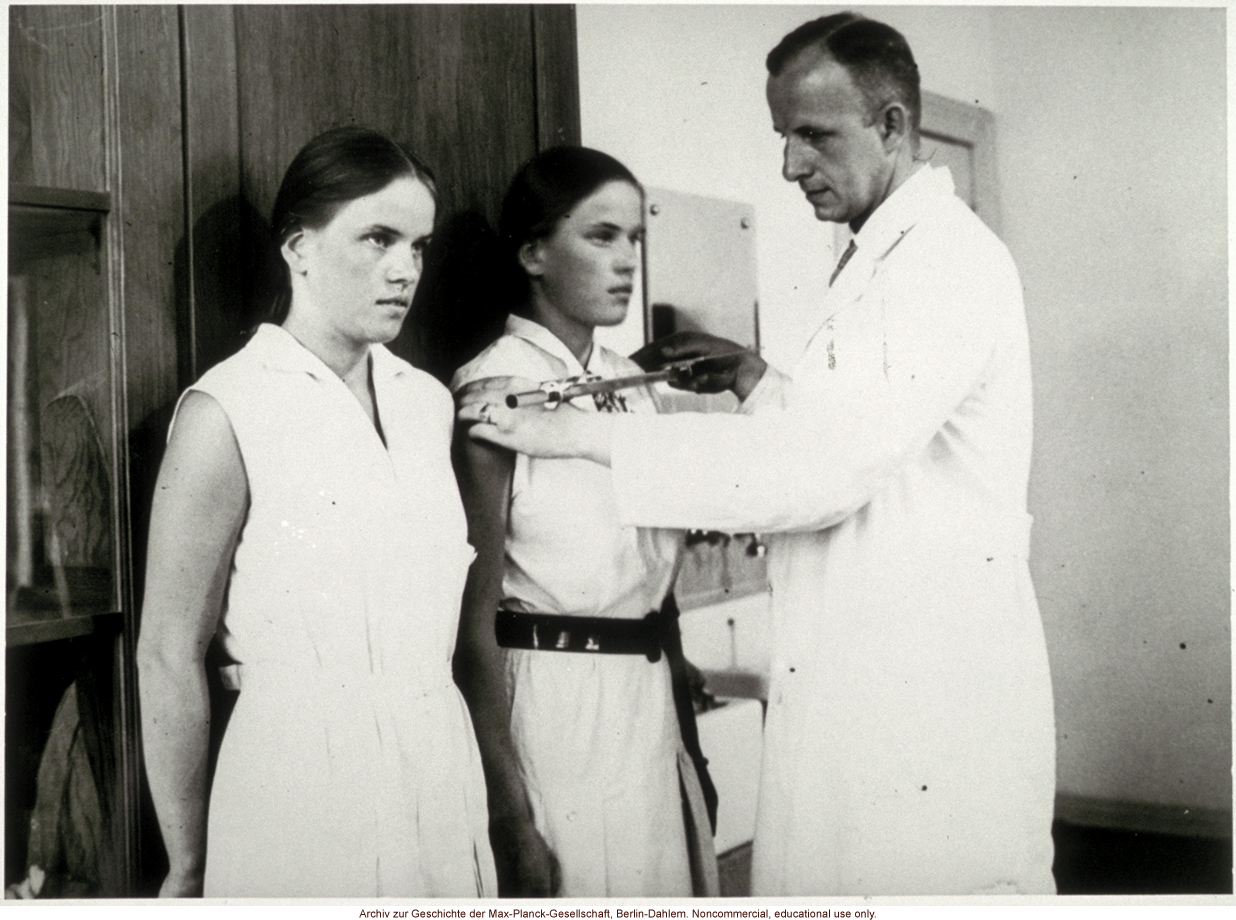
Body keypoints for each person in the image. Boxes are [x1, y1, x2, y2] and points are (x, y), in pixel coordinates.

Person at [459, 13, 1057, 897]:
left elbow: (825, 469)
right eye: (783, 137)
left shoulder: (945, 265)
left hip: (921, 688)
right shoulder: (877, 263)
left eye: (812, 135)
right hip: (820, 678)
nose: (789, 166)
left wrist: (576, 432)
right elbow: (837, 430)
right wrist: (760, 381)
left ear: (893, 126)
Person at [137, 126, 497, 898]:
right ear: (298, 248)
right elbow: (167, 652)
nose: (406, 269)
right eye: (378, 238)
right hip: (298, 780)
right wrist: (188, 861)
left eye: (420, 245)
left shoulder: (425, 403)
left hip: (437, 761)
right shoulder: (227, 407)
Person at [449, 146, 718, 898]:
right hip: (552, 709)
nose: (627, 260)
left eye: (635, 238)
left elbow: (653, 586)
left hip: (647, 703)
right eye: (602, 236)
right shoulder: (492, 390)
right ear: (534, 251)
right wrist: (510, 818)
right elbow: (470, 625)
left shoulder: (636, 388)